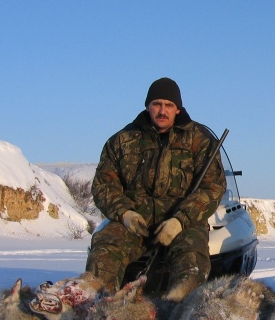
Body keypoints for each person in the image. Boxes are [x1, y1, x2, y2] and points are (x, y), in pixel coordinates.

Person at [87, 77, 227, 301]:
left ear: (178, 109)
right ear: (147, 105)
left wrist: (180, 220)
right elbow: (104, 185)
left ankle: (181, 314)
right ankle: (97, 307)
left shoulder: (200, 140)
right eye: (157, 104)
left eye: (169, 105)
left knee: (192, 259)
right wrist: (125, 214)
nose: (163, 110)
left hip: (181, 223)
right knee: (105, 246)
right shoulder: (122, 140)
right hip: (135, 222)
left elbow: (213, 187)